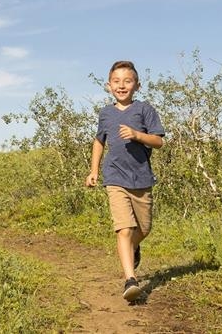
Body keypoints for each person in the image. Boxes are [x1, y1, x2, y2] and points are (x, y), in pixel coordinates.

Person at [85, 60, 166, 302]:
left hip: (141, 179)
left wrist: (138, 135)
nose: (122, 85)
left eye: (127, 81)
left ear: (137, 85)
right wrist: (94, 171)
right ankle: (130, 280)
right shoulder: (106, 113)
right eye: (116, 81)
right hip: (115, 177)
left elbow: (159, 141)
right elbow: (99, 141)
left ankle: (133, 248)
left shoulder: (145, 110)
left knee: (143, 229)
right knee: (124, 228)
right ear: (108, 85)